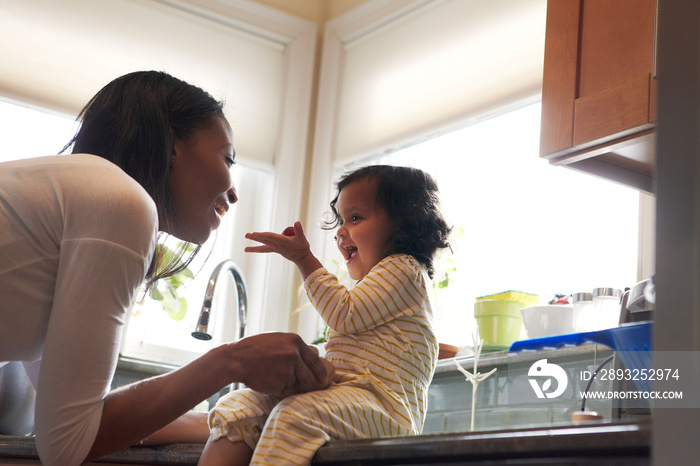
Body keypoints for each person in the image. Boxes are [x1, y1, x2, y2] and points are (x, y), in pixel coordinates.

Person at [0, 70, 331, 466]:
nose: (234, 191)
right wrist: (231, 361)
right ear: (172, 145)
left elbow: (68, 421)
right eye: (227, 158)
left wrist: (235, 417)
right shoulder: (120, 201)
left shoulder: (76, 195)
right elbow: (67, 444)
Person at [199, 165, 452, 466]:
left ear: (404, 224)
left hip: (387, 411)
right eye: (341, 220)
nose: (341, 230)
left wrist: (304, 258)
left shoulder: (406, 269)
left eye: (355, 218)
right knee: (237, 408)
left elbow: (344, 314)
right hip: (352, 399)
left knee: (295, 416)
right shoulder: (379, 285)